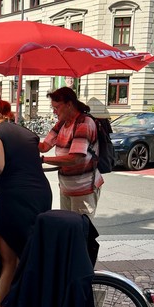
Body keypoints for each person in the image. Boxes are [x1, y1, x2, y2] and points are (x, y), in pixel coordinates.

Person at [0, 93, 52, 307]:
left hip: (14, 197)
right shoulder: (28, 133)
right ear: (8, 114)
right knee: (28, 253)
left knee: (8, 257)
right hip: (40, 194)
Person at [39, 87, 103, 220]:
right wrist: (24, 138)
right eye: (53, 108)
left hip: (84, 190)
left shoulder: (84, 123)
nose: (54, 111)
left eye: (56, 107)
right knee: (68, 229)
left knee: (81, 232)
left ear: (69, 105)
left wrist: (43, 160)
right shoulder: (62, 123)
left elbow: (75, 159)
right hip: (66, 188)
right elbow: (44, 146)